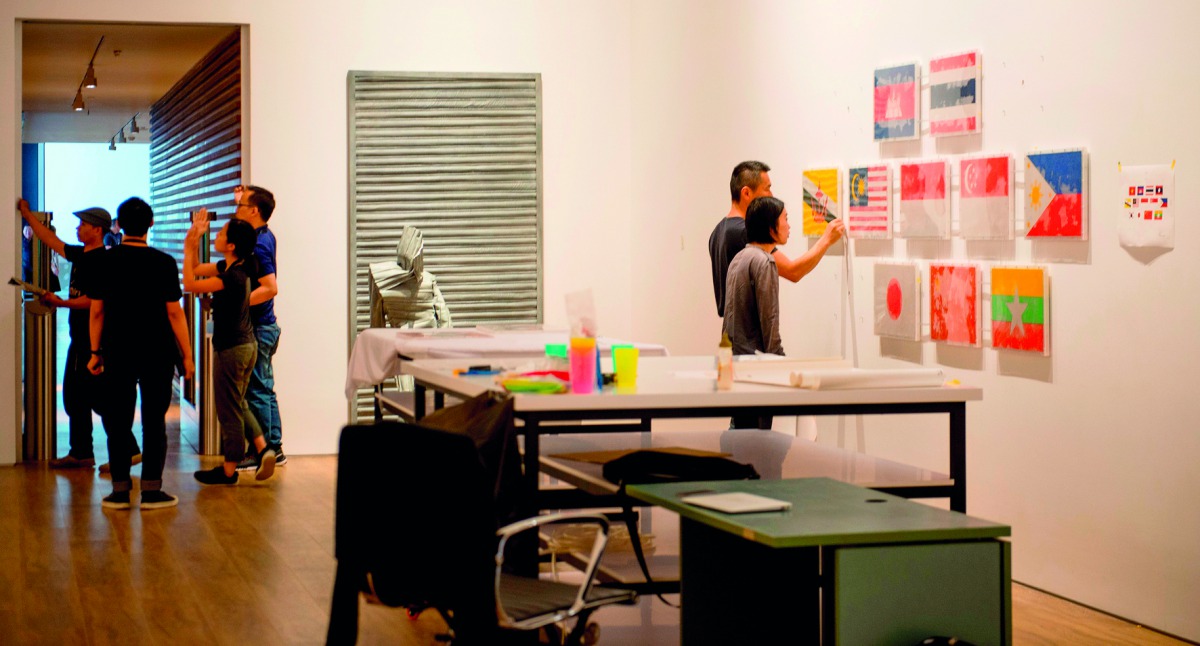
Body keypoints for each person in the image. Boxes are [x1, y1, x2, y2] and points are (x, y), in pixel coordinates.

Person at [85, 197, 194, 510]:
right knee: (153, 422)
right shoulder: (163, 262)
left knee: (118, 421)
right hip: (157, 352)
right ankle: (151, 492)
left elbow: (97, 312)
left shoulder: (105, 261)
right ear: (151, 224)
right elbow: (175, 314)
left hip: (118, 351)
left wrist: (95, 352)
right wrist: (187, 356)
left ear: (118, 225)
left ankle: (120, 492)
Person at [16, 199, 141, 470]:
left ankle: (124, 449)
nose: (77, 228)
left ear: (97, 230)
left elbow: (95, 301)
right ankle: (84, 451)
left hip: (93, 341)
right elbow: (51, 240)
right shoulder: (81, 255)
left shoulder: (103, 261)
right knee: (78, 397)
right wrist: (27, 215)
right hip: (82, 339)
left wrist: (60, 303)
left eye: (83, 224)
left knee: (95, 397)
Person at [722, 196, 841, 430]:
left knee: (740, 436)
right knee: (757, 446)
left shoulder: (740, 258)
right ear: (771, 227)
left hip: (735, 366)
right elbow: (770, 325)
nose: (789, 225)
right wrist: (784, 368)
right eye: (785, 219)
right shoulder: (764, 263)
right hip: (756, 371)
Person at [183, 210, 277, 484]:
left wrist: (190, 243)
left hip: (232, 348)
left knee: (228, 410)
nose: (218, 236)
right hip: (245, 345)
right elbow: (198, 269)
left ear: (232, 245)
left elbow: (190, 283)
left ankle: (228, 470)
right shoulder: (235, 268)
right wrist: (192, 243)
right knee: (238, 402)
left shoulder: (231, 277)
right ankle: (264, 449)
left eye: (222, 233)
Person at [708, 161, 846, 319]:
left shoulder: (717, 232)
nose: (771, 195)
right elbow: (793, 271)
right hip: (749, 336)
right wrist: (827, 239)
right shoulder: (744, 232)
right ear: (746, 193)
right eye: (767, 188)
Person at [230, 185, 287, 471]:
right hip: (265, 326)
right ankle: (274, 448)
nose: (237, 210)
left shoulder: (260, 243)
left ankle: (265, 450)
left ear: (254, 210)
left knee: (257, 391)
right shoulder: (261, 236)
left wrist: (238, 302)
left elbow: (270, 287)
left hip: (260, 328)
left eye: (242, 206)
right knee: (264, 388)